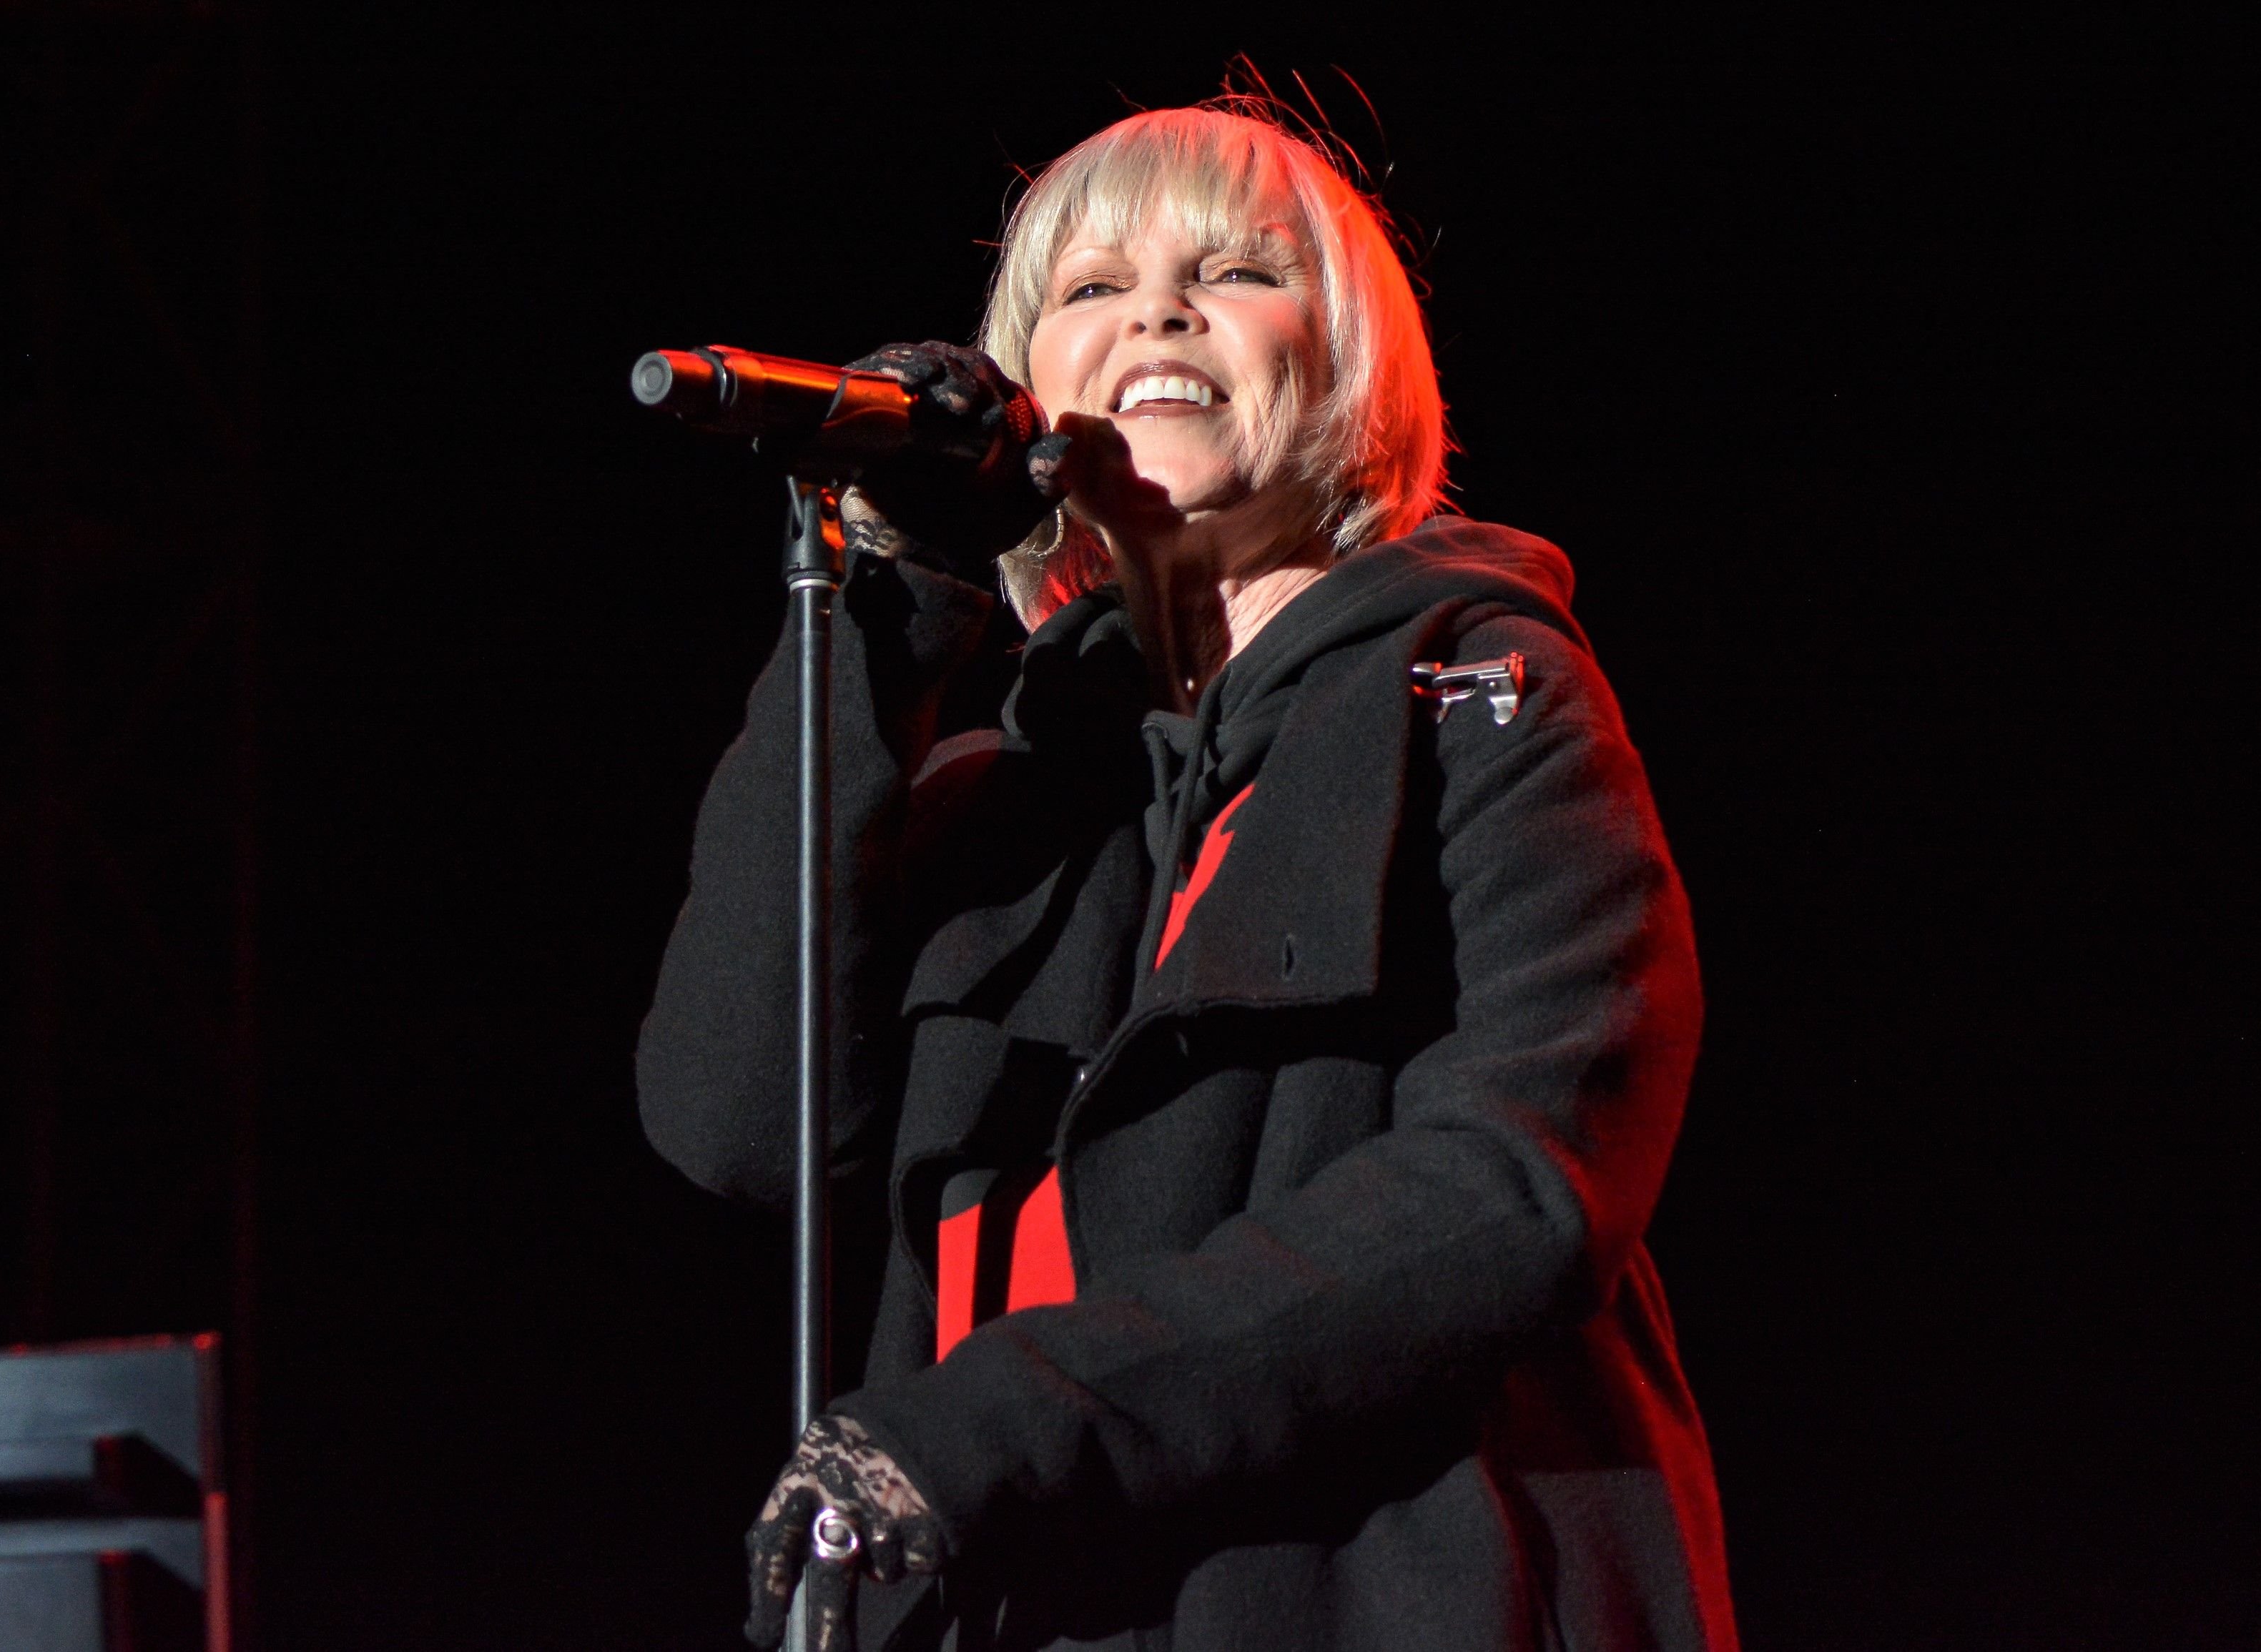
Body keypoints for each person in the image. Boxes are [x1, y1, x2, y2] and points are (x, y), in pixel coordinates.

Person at [637, 98, 1737, 1652]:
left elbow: (1522, 1178)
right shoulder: (989, 796)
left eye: (1230, 270)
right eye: (1090, 289)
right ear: (1026, 403)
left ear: (1346, 362)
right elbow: (732, 1117)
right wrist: (892, 603)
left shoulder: (1484, 691)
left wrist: (994, 1426)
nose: (1155, 306)